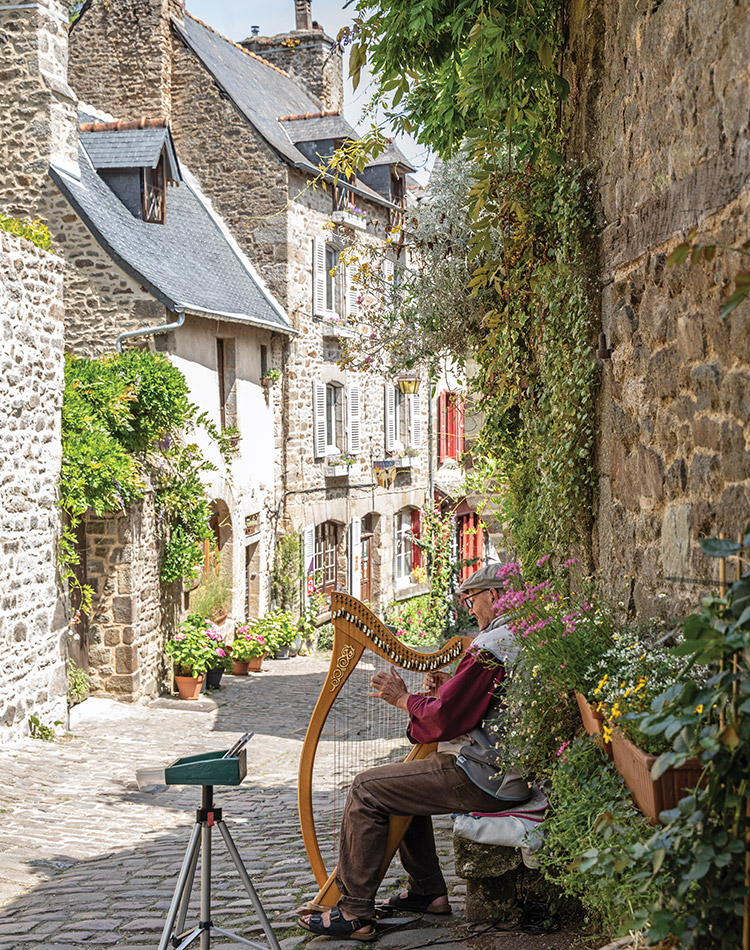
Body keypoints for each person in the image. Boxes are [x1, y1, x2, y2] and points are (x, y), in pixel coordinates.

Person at [298, 562, 530, 940]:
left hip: (490, 777)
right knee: (402, 784)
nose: (469, 609)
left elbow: (445, 721)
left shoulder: (491, 648)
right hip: (506, 769)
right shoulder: (518, 634)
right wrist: (448, 687)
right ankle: (428, 891)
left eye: (471, 600)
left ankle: (355, 912)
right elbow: (476, 702)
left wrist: (403, 698)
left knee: (367, 789)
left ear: (495, 596)